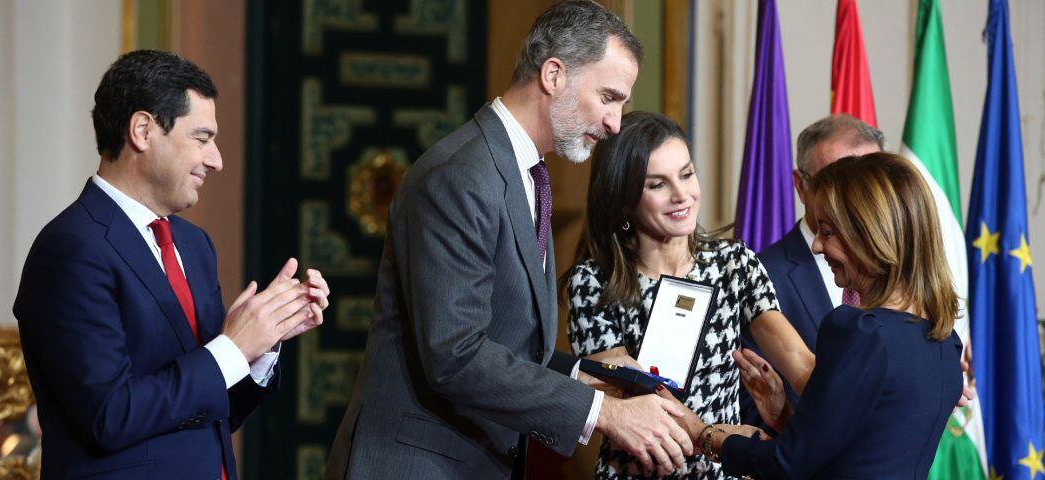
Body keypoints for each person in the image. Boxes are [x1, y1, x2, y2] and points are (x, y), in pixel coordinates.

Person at [326, 2, 694, 478]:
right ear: (554, 75)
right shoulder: (460, 175)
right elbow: (455, 354)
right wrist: (603, 413)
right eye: (608, 97)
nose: (614, 123)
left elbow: (500, 337)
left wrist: (584, 373)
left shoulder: (526, 174)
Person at [13, 50, 329, 479]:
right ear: (143, 130)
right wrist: (231, 348)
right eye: (201, 139)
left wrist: (261, 342)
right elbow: (110, 417)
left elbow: (212, 412)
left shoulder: (195, 245)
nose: (216, 160)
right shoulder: (71, 248)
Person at [565, 111, 815, 478]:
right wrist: (716, 439)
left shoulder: (735, 264)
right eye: (657, 185)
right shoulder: (594, 281)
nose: (681, 195)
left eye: (686, 174)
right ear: (622, 200)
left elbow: (800, 363)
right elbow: (633, 404)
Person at [693, 152, 964, 479]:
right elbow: (860, 449)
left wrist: (705, 435)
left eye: (827, 232)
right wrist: (786, 419)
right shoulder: (946, 342)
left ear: (868, 234)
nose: (819, 247)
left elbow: (786, 463)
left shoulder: (863, 331)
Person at [740, 114, 883, 426]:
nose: (856, 198)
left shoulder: (901, 269)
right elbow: (752, 406)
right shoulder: (760, 276)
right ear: (801, 185)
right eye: (837, 181)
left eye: (868, 182)